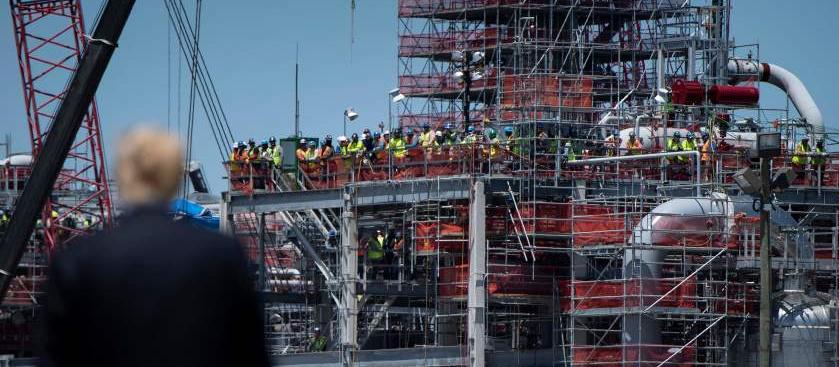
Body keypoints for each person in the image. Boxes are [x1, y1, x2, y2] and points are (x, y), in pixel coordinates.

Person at [42, 127, 268, 367]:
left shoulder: (77, 261)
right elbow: (249, 353)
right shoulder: (221, 255)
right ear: (174, 177)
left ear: (121, 176)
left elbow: (55, 355)